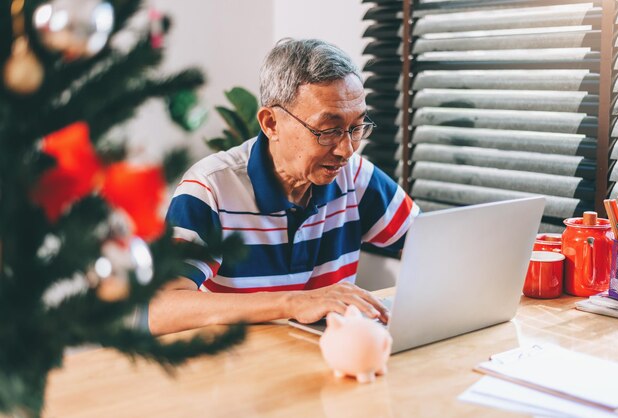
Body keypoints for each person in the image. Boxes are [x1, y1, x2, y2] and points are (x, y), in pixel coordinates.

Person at [149, 38, 419, 335]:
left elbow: (431, 243)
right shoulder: (210, 189)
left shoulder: (355, 178)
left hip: (326, 360)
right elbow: (161, 308)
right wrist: (293, 303)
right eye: (328, 130)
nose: (346, 149)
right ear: (271, 124)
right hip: (236, 367)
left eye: (356, 128)